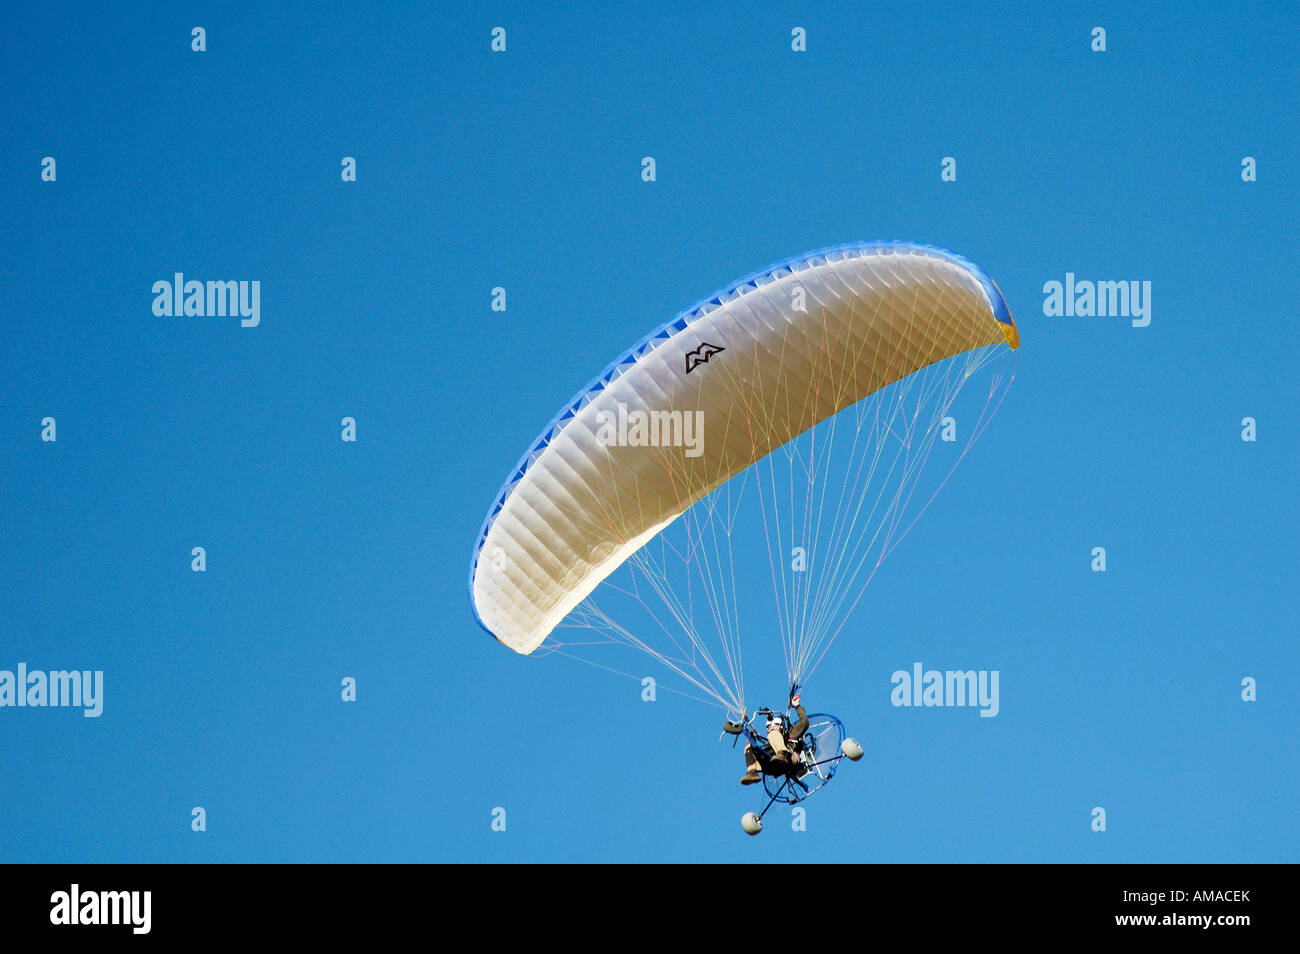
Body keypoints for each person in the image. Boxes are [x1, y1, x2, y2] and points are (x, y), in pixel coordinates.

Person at [731, 691, 808, 785]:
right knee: (748, 748)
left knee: (773, 735)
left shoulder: (790, 735)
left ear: (781, 727)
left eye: (774, 725)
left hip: (788, 759)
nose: (771, 728)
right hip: (771, 767)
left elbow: (804, 723)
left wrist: (797, 705)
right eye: (768, 728)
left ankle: (781, 754)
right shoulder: (769, 742)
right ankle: (752, 773)